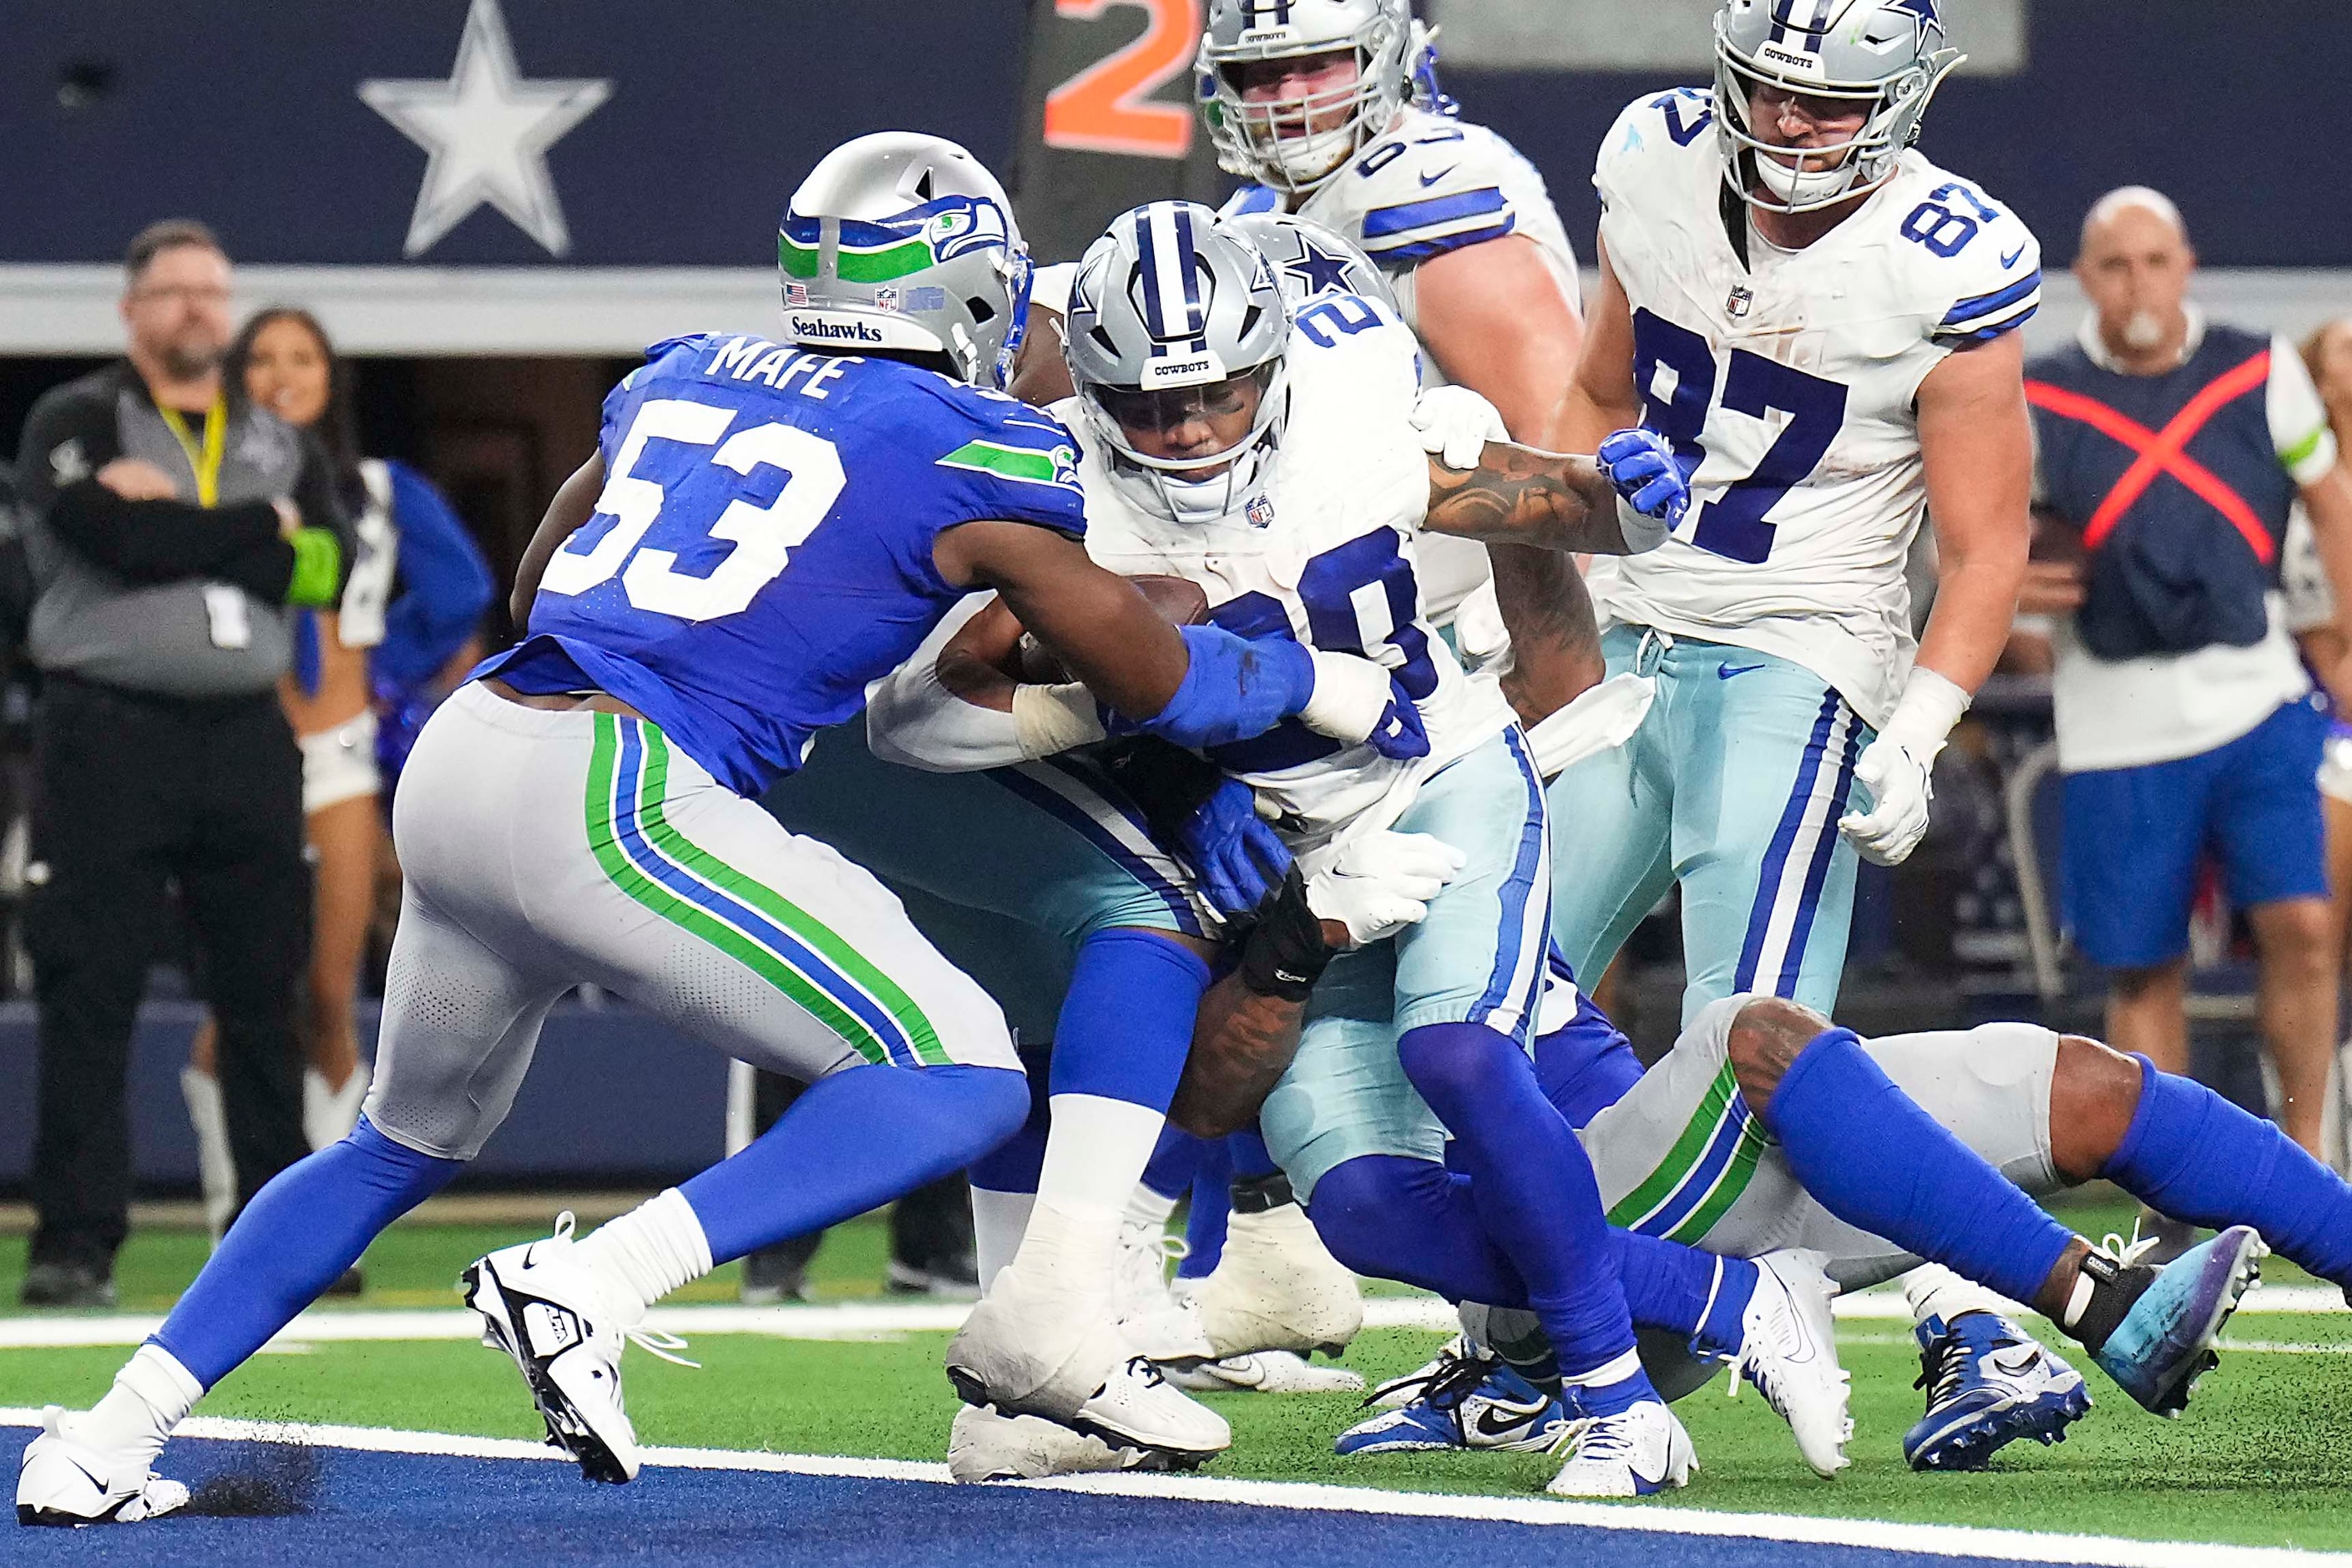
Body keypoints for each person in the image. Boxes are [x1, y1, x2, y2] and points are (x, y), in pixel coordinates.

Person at [14, 134, 1403, 1529]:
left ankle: (104, 1436)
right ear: (971, 288)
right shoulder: (979, 448)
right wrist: (1327, 681)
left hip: (468, 750)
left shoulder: (681, 371)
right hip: (617, 782)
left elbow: (534, 580)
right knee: (965, 1070)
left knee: (394, 1144)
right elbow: (1158, 678)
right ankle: (592, 1280)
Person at [873, 201, 1725, 1496]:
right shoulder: (1056, 488)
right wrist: (1158, 715)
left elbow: (1570, 514)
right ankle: (1728, 1298)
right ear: (1092, 385)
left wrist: (1634, 503)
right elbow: (919, 720)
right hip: (1283, 836)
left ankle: (1619, 1388)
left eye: (1218, 390)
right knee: (1356, 1189)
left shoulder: (1360, 415)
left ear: (1279, 355)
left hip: (1438, 771)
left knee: (1472, 1049)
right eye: (1150, 405)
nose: (1190, 428)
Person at [1538, 0, 2066, 1469]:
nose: (1791, 129)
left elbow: (1984, 544)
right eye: (1769, 96)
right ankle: (1536, 1340)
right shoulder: (1649, 159)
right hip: (1630, 634)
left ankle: (1980, 1304)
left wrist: (1919, 722)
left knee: (1747, 1047)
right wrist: (1568, 535)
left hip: (1791, 654)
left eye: (1829, 108)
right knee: (1488, 992)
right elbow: (1592, 391)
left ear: (1898, 104)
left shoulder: (1940, 259)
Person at [1305, 959, 2330, 1471]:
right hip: (1553, 1293)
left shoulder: (1478, 768)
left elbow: (1580, 1054)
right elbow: (1365, 1198)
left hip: (1661, 1176)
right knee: (1756, 1033)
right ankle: (2101, 1308)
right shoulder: (1311, 833)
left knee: (2089, 1089)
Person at [10, 220, 353, 1311]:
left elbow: (325, 564)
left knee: (267, 990)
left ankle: (279, 1242)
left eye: (212, 290)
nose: (197, 309)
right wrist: (255, 526)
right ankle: (76, 1241)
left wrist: (204, 522)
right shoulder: (73, 416)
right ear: (132, 308)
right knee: (90, 985)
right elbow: (115, 542)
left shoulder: (274, 434)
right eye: (173, 293)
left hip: (246, 734)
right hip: (106, 730)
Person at [2022, 190, 2352, 1209]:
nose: (2139, 284)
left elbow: (2331, 500)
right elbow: (1979, 537)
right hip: (2115, 715)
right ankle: (2179, 1193)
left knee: (2302, 923)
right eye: (2117, 264)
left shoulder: (2261, 369)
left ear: (2188, 265)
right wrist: (2010, 591)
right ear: (2085, 278)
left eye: (2156, 261)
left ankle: (2307, 1162)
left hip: (2256, 697)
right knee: (2141, 962)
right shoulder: (2040, 396)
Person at [178, 307, 493, 1264]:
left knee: (328, 985)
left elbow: (464, 592)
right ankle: (233, 1199)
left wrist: (382, 665)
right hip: (232, 751)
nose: (282, 374)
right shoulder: (208, 485)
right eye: (262, 358)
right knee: (241, 994)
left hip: (342, 757)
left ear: (331, 379)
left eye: (302, 358)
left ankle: (319, 1228)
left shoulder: (379, 491)